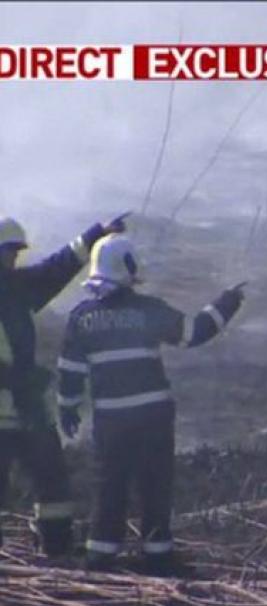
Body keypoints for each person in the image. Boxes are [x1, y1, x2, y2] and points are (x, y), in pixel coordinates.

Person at [56, 234, 244, 575]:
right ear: (128, 268)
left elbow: (70, 371)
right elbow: (194, 332)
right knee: (154, 484)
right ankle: (158, 555)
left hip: (111, 420)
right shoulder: (149, 311)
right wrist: (227, 302)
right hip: (153, 416)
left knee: (109, 484)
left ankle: (100, 556)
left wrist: (67, 408)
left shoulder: (81, 318)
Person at [0, 213, 125, 556]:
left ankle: (55, 549)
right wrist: (16, 378)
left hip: (27, 411)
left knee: (53, 481)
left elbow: (58, 267)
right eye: (8, 251)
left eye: (15, 252)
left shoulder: (16, 287)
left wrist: (97, 234)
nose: (13, 258)